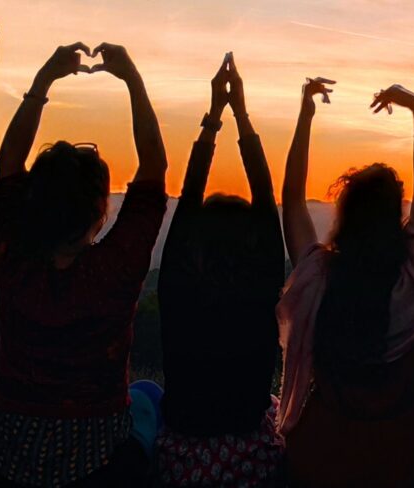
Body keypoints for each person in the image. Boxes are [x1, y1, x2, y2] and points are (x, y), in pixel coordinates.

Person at [0, 42, 169, 487]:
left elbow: (6, 165)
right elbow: (154, 167)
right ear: (101, 213)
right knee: (151, 398)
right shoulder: (113, 271)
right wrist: (132, 78)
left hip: (6, 458)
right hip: (100, 464)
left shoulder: (13, 262)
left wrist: (44, 80)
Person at [275, 67, 414, 486]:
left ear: (345, 217)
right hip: (398, 455)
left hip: (322, 454)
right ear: (395, 217)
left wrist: (306, 111)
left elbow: (292, 200)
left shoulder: (319, 279)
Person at [150, 52, 288, 487]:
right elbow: (268, 204)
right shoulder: (262, 290)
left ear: (195, 245)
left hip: (182, 464)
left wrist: (214, 118)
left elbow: (187, 206)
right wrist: (241, 114)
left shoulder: (178, 291)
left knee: (144, 397)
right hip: (253, 460)